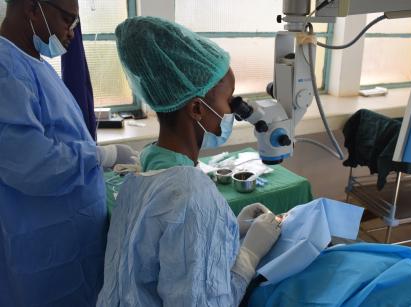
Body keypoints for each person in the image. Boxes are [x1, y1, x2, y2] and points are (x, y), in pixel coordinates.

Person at [96, 16, 281, 306]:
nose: (232, 111)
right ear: (197, 108)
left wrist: (229, 229)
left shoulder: (145, 170)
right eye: (228, 100)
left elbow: (170, 251)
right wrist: (248, 256)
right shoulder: (191, 195)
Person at [0, 1, 138, 306]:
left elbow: (62, 139)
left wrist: (98, 157)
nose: (72, 33)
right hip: (42, 257)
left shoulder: (34, 65)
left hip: (70, 245)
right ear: (32, 8)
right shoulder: (5, 69)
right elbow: (32, 164)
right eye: (67, 20)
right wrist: (102, 157)